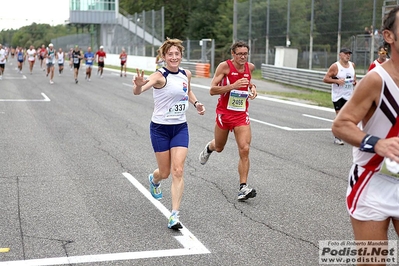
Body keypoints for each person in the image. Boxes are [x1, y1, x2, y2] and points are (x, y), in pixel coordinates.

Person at [331, 6, 399, 259]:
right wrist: (377, 144)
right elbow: (341, 125)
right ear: (389, 36)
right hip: (372, 182)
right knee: (373, 260)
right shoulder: (376, 79)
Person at [132, 38, 205, 230]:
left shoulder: (185, 74)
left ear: (181, 56)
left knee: (178, 170)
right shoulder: (158, 76)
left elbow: (187, 91)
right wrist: (139, 85)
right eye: (170, 54)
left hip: (180, 128)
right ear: (164, 57)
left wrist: (196, 103)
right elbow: (137, 92)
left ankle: (174, 215)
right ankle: (154, 179)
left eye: (177, 54)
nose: (174, 57)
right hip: (160, 129)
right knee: (164, 173)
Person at [198, 40, 258, 201]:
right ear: (233, 54)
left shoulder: (249, 67)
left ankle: (243, 187)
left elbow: (248, 82)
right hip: (224, 114)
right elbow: (212, 90)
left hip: (241, 115)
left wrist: (253, 88)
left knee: (244, 149)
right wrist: (233, 86)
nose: (243, 57)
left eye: (245, 53)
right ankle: (209, 148)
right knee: (219, 147)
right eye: (239, 54)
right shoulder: (224, 67)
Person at [322, 48, 357, 145]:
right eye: (345, 53)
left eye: (349, 54)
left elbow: (353, 77)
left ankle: (344, 133)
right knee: (340, 116)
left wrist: (355, 82)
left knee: (349, 117)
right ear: (340, 55)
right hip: (338, 95)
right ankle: (337, 136)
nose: (348, 55)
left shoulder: (352, 65)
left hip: (349, 95)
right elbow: (325, 79)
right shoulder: (335, 66)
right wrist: (337, 81)